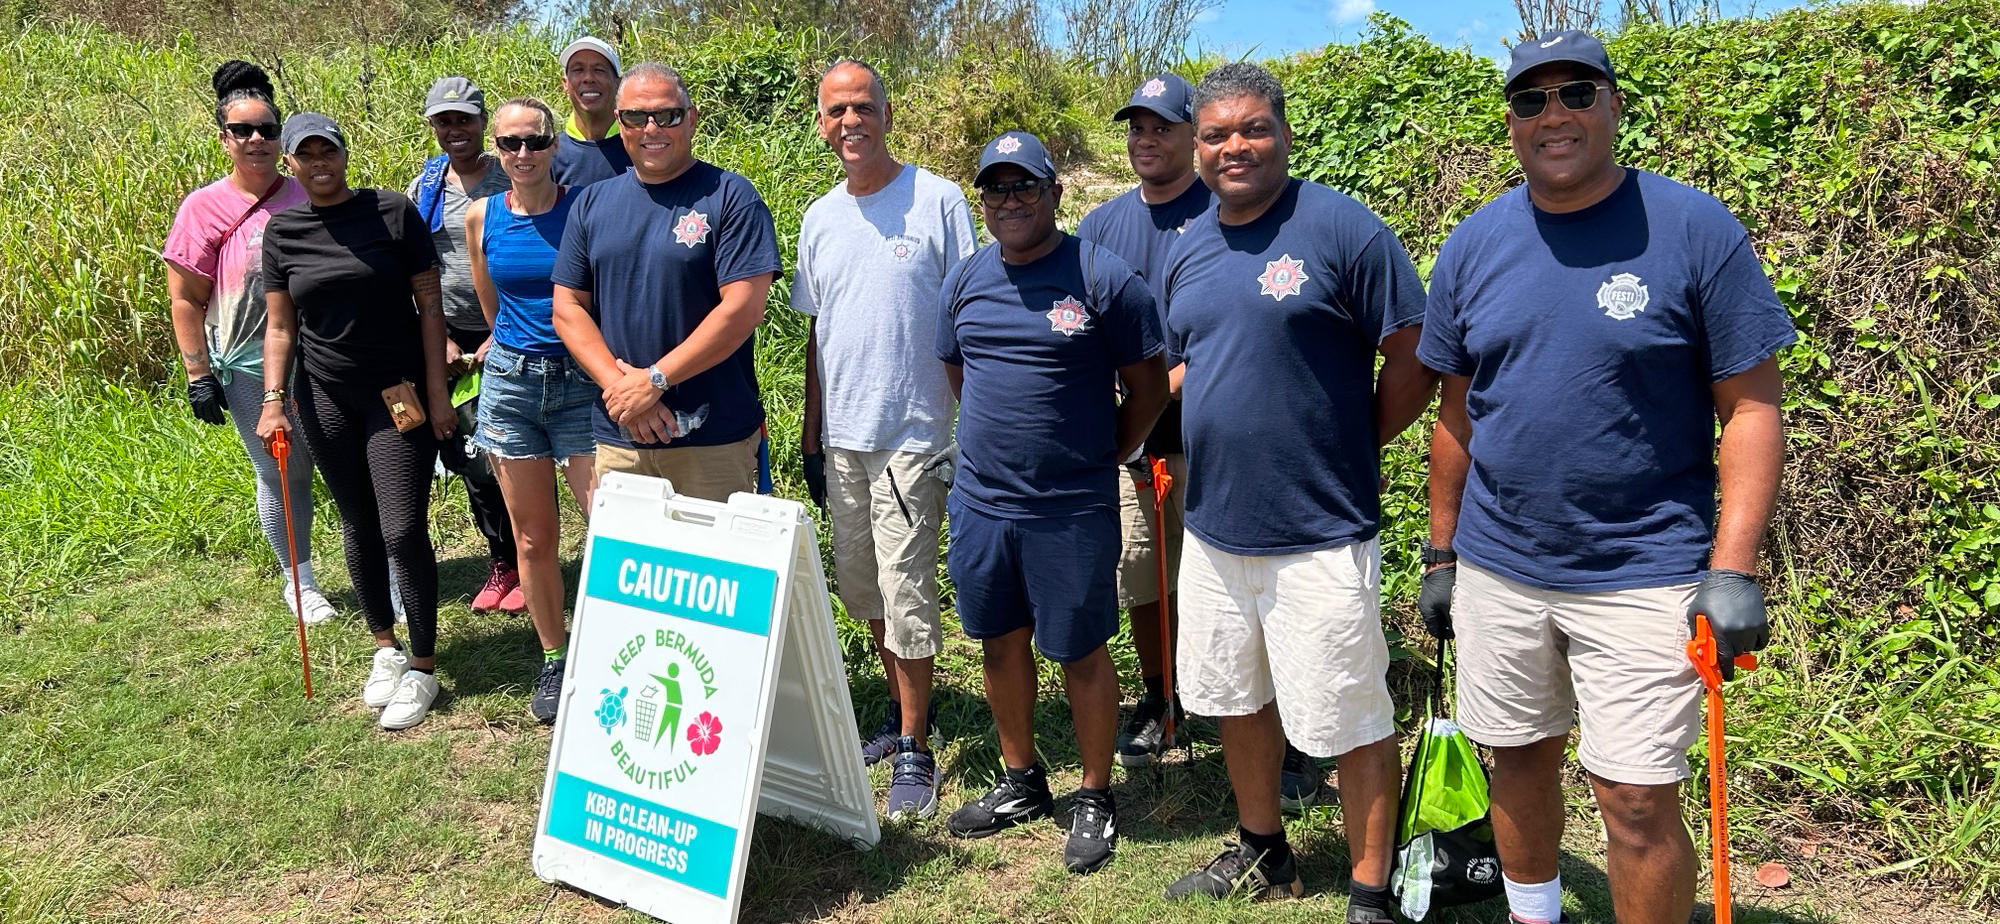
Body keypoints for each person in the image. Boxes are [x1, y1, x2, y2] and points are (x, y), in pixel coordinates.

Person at [1416, 31, 1794, 924]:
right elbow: (1456, 417)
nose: (1554, 114)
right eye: (1530, 99)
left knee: (1634, 799)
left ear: (1615, 105)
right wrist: (1441, 554)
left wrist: (1733, 570)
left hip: (1644, 572)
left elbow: (1752, 409)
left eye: (1576, 93)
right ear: (1510, 121)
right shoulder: (1474, 244)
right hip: (1500, 567)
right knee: (1517, 759)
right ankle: (1533, 914)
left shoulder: (1694, 230)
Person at [1159, 63, 1433, 919]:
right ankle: (1264, 848)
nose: (1234, 146)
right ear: (1196, 147)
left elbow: (1415, 354)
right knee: (1235, 698)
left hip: (1321, 527)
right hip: (1213, 526)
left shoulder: (1342, 228)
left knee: (1351, 714)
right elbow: (1186, 363)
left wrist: (1350, 439)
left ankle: (1368, 886)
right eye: (1216, 134)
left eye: (1252, 129)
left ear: (1283, 132)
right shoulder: (1189, 246)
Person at [937, 131, 1169, 875]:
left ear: (1055, 193)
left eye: (1024, 187)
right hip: (981, 502)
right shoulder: (967, 278)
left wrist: (1102, 452)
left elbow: (1150, 387)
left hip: (1071, 507)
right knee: (999, 639)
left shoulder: (1103, 277)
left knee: (1078, 648)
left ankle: (1095, 795)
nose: (1010, 202)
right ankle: (1022, 780)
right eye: (995, 190)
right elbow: (958, 373)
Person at [793, 59, 977, 819]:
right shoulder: (818, 217)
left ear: (888, 112)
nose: (849, 122)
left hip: (914, 432)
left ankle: (914, 750)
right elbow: (818, 334)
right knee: (864, 588)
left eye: (862, 106)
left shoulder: (938, 201)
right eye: (835, 110)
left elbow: (974, 314)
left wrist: (977, 427)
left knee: (906, 593)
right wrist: (811, 432)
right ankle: (912, 710)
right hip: (843, 437)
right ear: (820, 123)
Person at [257, 112, 454, 731]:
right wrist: (271, 399)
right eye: (306, 155)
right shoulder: (283, 232)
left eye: (329, 152)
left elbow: (429, 307)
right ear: (290, 163)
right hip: (324, 398)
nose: (320, 164)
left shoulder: (392, 212)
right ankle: (385, 648)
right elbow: (282, 325)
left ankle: (423, 666)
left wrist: (439, 391)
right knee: (358, 523)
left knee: (400, 527)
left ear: (344, 154)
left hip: (397, 395)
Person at [1072, 71, 1215, 775]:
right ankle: (1162, 699)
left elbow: (1227, 334)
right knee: (1145, 576)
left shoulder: (1225, 211)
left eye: (1163, 126)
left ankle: (1240, 704)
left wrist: (1155, 391)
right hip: (1134, 438)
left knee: (1219, 576)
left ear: (1195, 135)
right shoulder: (1100, 226)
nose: (1147, 139)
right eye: (1137, 127)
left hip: (1211, 436)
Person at [551, 63, 779, 499]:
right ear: (620, 125)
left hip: (712, 440)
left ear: (691, 119)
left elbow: (742, 309)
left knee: (712, 566)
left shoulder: (732, 197)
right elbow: (567, 308)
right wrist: (624, 392)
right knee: (626, 569)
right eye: (637, 117)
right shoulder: (592, 203)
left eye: (668, 115)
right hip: (621, 437)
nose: (652, 128)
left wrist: (654, 380)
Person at [162, 61, 333, 626]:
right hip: (248, 364)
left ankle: (383, 570)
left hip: (324, 355)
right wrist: (197, 375)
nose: (257, 140)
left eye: (267, 129)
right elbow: (186, 298)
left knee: (345, 463)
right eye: (243, 131)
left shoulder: (307, 190)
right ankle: (299, 580)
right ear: (224, 139)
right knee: (282, 469)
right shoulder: (202, 208)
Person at [467, 97, 596, 725]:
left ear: (554, 146)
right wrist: (511, 346)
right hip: (513, 386)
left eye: (535, 142)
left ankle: (611, 645)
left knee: (609, 525)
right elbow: (492, 309)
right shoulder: (480, 216)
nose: (522, 154)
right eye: (510, 143)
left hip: (581, 385)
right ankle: (555, 655)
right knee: (534, 537)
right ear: (497, 148)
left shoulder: (584, 209)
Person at [406, 76, 521, 614]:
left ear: (482, 123)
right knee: (471, 453)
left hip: (516, 330)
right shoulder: (425, 188)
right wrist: (442, 339)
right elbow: (413, 267)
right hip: (450, 339)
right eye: (443, 121)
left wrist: (505, 330)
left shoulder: (511, 177)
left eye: (464, 120)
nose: (454, 130)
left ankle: (531, 556)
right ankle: (503, 563)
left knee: (520, 449)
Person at [549, 37, 632, 187]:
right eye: (578, 70)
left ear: (618, 83)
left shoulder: (640, 145)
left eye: (599, 70)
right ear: (565, 84)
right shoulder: (550, 153)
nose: (588, 78)